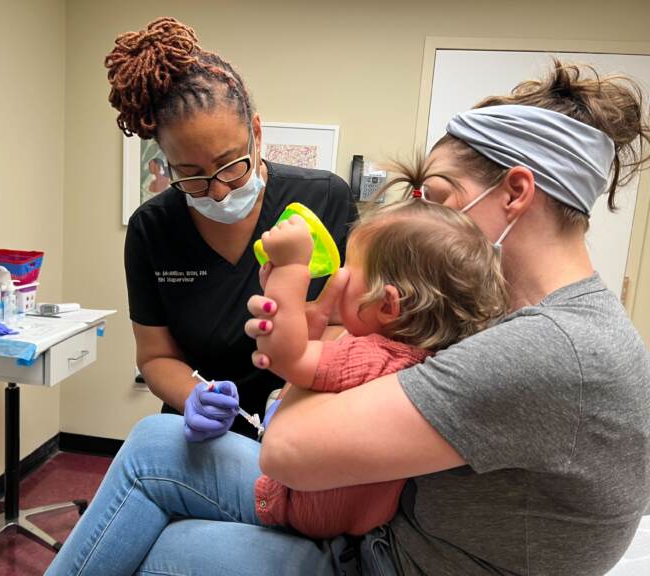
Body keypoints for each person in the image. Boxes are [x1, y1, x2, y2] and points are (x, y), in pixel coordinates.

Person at [47, 62, 650, 576]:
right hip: (388, 509)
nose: (427, 228)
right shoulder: (515, 317)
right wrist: (316, 335)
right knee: (156, 438)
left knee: (170, 550)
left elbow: (286, 446)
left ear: (516, 193)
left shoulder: (547, 349)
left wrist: (314, 327)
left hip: (386, 551)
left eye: (437, 199)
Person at [113, 17, 357, 439]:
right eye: (191, 175)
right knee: (148, 451)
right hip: (204, 432)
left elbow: (346, 324)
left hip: (305, 416)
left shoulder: (324, 199)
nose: (220, 192)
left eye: (231, 165)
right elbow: (155, 357)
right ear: (166, 164)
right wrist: (193, 397)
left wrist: (298, 385)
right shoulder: (152, 229)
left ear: (257, 135)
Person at [251, 199, 507, 539]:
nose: (339, 276)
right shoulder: (425, 360)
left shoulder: (371, 354)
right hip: (362, 522)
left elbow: (285, 357)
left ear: (387, 304)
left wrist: (291, 269)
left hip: (305, 514)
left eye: (349, 270)